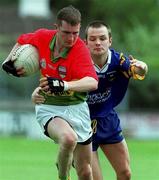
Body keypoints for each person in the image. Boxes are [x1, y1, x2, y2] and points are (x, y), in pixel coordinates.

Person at [31, 20, 148, 180]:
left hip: (107, 119)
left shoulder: (118, 60)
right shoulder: (75, 61)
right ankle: (68, 159)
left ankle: (69, 158)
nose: (98, 43)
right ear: (85, 43)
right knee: (92, 177)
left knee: (125, 173)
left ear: (110, 41)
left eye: (102, 38)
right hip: (81, 121)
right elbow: (55, 82)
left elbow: (138, 70)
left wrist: (143, 66)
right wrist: (37, 92)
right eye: (92, 39)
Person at [2, 6, 98, 180]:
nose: (71, 38)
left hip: (77, 108)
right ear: (56, 27)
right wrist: (8, 61)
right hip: (49, 106)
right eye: (66, 33)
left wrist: (64, 85)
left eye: (75, 33)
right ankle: (63, 177)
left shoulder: (80, 50)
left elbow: (92, 82)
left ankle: (64, 163)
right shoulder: (42, 36)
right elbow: (22, 40)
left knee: (85, 171)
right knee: (68, 139)